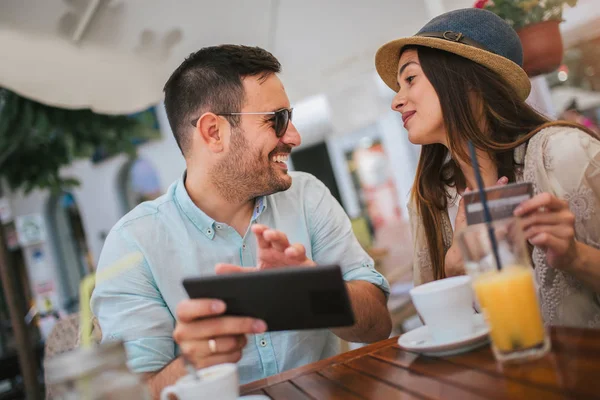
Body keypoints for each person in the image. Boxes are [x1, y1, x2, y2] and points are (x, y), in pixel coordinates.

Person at [91, 44, 391, 397]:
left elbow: (378, 325)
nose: (293, 136)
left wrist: (317, 292)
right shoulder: (135, 243)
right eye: (276, 119)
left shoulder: (307, 195)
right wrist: (193, 363)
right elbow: (129, 393)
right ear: (213, 132)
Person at [374, 8, 600, 328]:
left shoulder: (565, 153)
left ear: (468, 81)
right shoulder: (431, 196)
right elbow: (435, 326)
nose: (396, 101)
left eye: (410, 78)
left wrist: (574, 257)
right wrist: (454, 267)